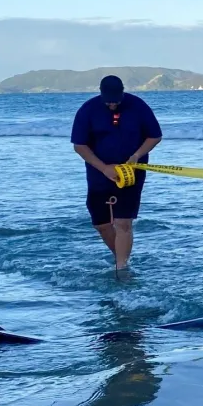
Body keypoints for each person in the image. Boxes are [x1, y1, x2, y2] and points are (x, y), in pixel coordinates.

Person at [70, 75, 162, 272]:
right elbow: (79, 145)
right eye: (108, 102)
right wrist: (104, 168)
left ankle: (122, 268)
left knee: (123, 222)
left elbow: (155, 136)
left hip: (131, 171)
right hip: (98, 172)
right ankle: (119, 256)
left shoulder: (138, 106)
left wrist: (137, 155)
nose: (113, 105)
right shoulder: (88, 110)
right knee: (101, 223)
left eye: (116, 101)